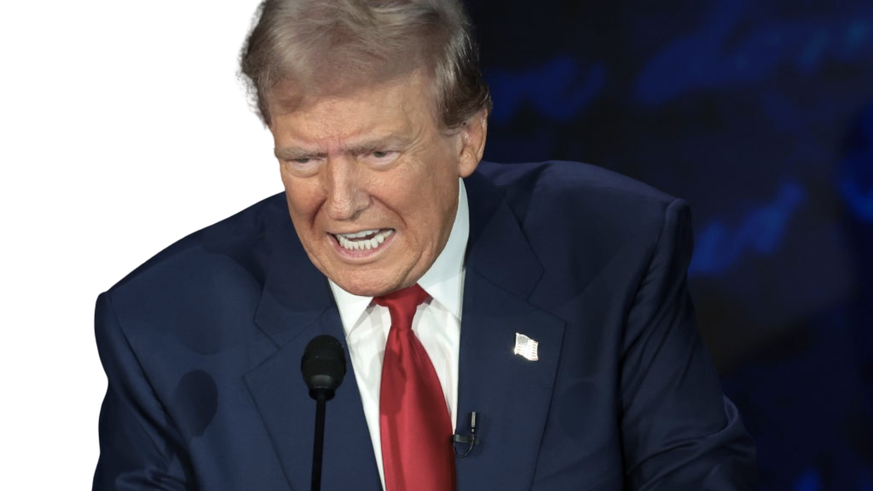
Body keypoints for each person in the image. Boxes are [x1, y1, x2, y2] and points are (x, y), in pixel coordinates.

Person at [93, 0, 757, 489]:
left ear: (466, 138)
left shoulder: (612, 252)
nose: (340, 202)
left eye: (377, 153)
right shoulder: (165, 332)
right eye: (303, 160)